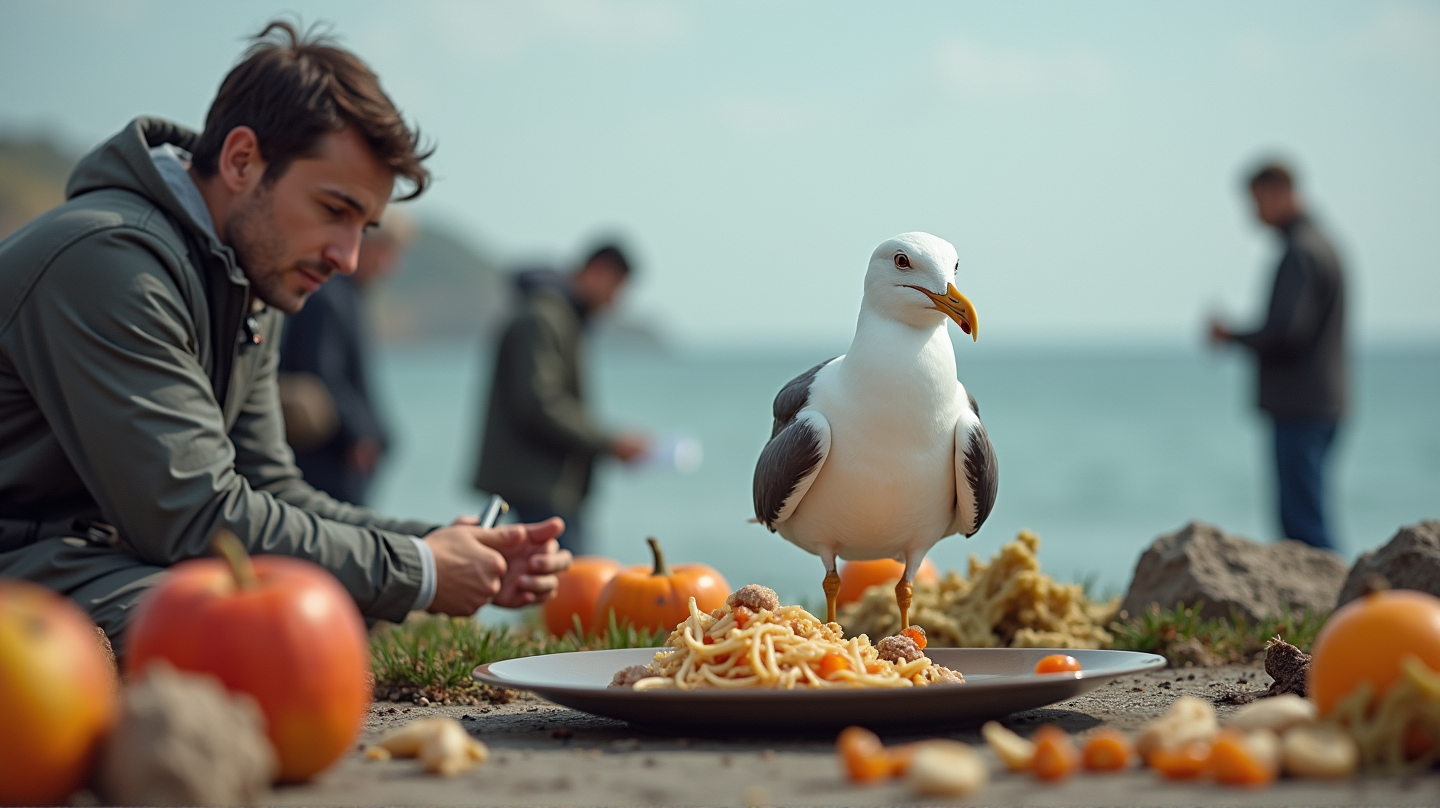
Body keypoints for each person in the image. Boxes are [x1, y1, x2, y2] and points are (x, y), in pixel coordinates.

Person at [0, 21, 571, 658]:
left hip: (98, 559)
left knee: (318, 609)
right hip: (26, 563)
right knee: (266, 637)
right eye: (334, 210)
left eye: (365, 225)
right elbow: (193, 515)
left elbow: (272, 490)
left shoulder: (248, 273)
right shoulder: (109, 264)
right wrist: (420, 569)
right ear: (242, 161)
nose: (349, 258)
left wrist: (441, 542)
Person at [474, 245, 650, 554]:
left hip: (542, 480)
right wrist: (610, 442)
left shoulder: (557, 316)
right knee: (566, 584)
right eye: (616, 289)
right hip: (538, 482)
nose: (614, 303)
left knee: (553, 582)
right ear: (599, 272)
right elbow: (540, 402)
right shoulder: (545, 318)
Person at [1209, 162, 1348, 550]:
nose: (1254, 214)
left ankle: (1334, 608)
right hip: (1315, 401)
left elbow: (1287, 333)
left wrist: (1230, 335)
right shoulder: (1316, 244)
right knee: (1306, 515)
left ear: (1279, 192)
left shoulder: (1302, 251)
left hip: (1302, 404)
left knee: (1304, 526)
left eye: (1257, 202)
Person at [279, 211, 414, 506]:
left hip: (335, 449)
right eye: (387, 253)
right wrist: (358, 434)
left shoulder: (345, 295)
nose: (390, 266)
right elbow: (322, 373)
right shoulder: (329, 297)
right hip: (328, 453)